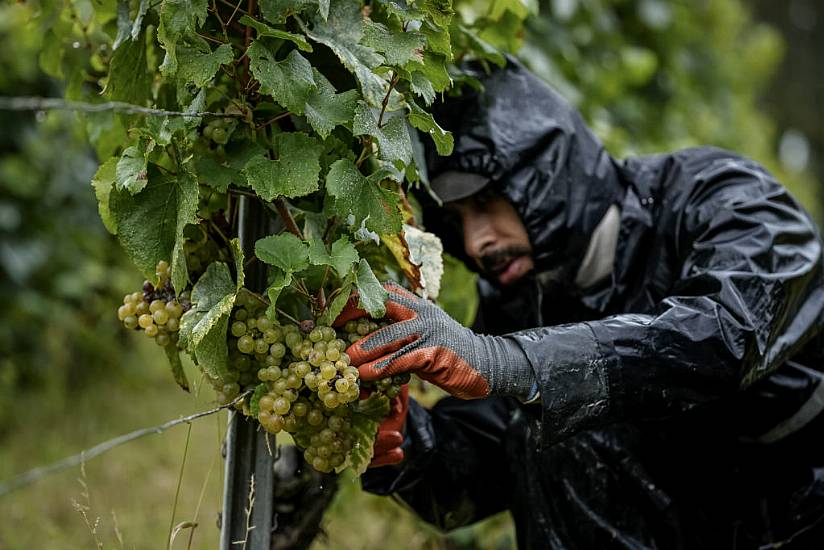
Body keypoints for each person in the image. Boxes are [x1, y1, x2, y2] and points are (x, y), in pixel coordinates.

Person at [336, 60, 824, 548]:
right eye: (456, 220)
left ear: (542, 171)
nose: (477, 242)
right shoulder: (523, 296)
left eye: (485, 203)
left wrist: (509, 361)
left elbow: (724, 335)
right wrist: (405, 441)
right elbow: (490, 463)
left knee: (571, 417)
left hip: (802, 518)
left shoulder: (725, 199)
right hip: (702, 528)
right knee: (548, 431)